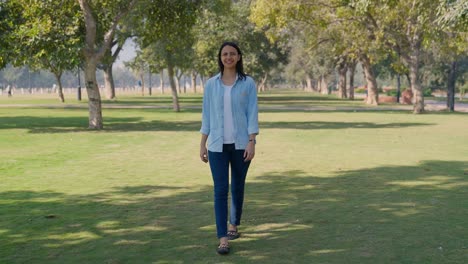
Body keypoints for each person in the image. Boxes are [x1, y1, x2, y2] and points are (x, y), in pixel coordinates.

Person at [199, 41, 259, 255]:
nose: (228, 57)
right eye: (225, 54)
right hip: (216, 145)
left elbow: (252, 113)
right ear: (220, 57)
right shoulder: (211, 85)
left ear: (239, 57)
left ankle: (234, 224)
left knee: (237, 187)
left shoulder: (248, 83)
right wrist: (202, 144)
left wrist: (252, 141)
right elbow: (206, 116)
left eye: (232, 53)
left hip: (242, 143)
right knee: (220, 190)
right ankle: (223, 238)